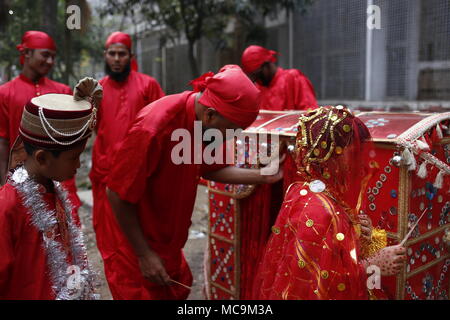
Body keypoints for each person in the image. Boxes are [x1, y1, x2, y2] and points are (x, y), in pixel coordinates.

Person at [105, 65, 283, 300]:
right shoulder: (153, 128)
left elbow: (212, 170)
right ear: (210, 115)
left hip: (168, 240)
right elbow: (116, 194)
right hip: (134, 244)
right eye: (231, 131)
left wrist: (263, 177)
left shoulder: (204, 124)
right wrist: (144, 254)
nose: (231, 137)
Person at [252, 106, 406, 300]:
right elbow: (315, 287)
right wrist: (373, 265)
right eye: (356, 152)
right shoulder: (318, 211)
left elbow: (330, 257)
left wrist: (357, 235)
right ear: (333, 158)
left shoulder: (307, 190)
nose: (365, 162)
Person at [0, 77, 102, 299]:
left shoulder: (52, 190)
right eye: (74, 157)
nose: (79, 165)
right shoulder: (8, 206)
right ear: (42, 158)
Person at [90, 31, 164, 273]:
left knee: (141, 239)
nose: (116, 59)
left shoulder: (148, 85)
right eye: (112, 54)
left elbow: (163, 126)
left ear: (131, 56)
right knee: (112, 247)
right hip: (105, 179)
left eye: (122, 54)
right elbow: (91, 128)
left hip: (140, 180)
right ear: (105, 56)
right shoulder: (97, 90)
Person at [0, 30, 81, 215]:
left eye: (53, 57)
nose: (50, 62)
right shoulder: (5, 93)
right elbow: (2, 141)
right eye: (45, 55)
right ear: (27, 53)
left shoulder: (63, 91)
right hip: (23, 182)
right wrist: (5, 182)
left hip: (61, 180)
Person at [241, 45, 318, 111]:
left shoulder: (293, 78)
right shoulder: (259, 87)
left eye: (258, 75)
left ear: (266, 65)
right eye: (253, 78)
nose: (257, 80)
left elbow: (311, 113)